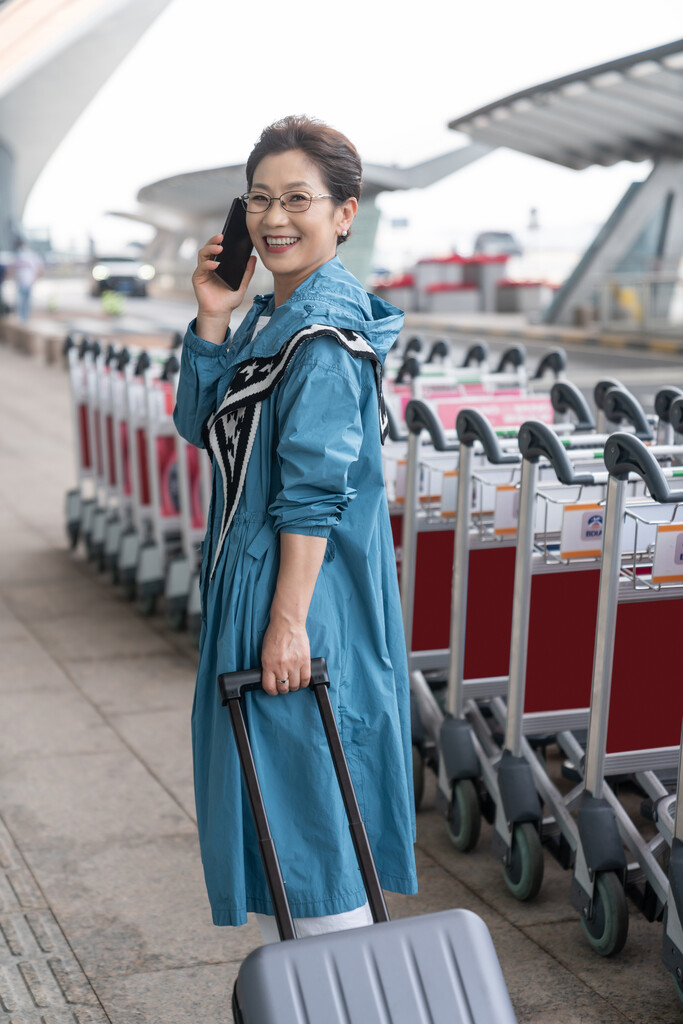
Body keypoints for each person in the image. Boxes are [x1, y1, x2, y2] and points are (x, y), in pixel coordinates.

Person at [173, 115, 417, 942]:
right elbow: (197, 420)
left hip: (303, 593)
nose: (274, 219)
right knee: (286, 809)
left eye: (298, 200)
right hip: (264, 582)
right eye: (259, 200)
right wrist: (212, 316)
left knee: (309, 814)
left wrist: (285, 624)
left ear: (344, 213)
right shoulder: (273, 314)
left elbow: (312, 494)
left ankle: (343, 992)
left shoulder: (322, 333)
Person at [13, 242, 42, 322]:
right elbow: (15, 268)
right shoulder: (19, 256)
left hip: (28, 281)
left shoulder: (31, 256)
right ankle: (22, 317)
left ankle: (25, 317)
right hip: (21, 282)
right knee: (21, 300)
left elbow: (38, 267)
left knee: (26, 300)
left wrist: (35, 278)